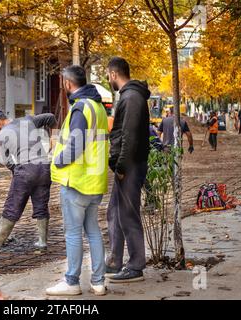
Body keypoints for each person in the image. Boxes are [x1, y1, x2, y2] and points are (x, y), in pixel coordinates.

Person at [46, 65, 108, 296]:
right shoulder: (98, 107)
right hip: (95, 181)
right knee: (93, 231)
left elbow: (75, 145)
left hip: (77, 181)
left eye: (62, 82)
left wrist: (57, 160)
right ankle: (98, 282)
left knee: (73, 233)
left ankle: (72, 281)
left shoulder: (81, 108)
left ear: (67, 84)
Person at [105, 57, 149, 283]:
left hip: (130, 165)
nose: (107, 79)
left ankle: (135, 266)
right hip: (127, 165)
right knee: (114, 212)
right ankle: (115, 261)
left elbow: (129, 136)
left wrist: (120, 166)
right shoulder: (129, 95)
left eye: (107, 75)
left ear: (114, 74)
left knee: (128, 214)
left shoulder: (131, 97)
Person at [0, 110, 57, 249]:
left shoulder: (1, 136)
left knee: (13, 205)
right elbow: (51, 117)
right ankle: (42, 241)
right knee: (41, 204)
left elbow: (7, 162)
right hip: (44, 167)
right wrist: (54, 138)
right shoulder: (28, 120)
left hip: (25, 170)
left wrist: (16, 172)